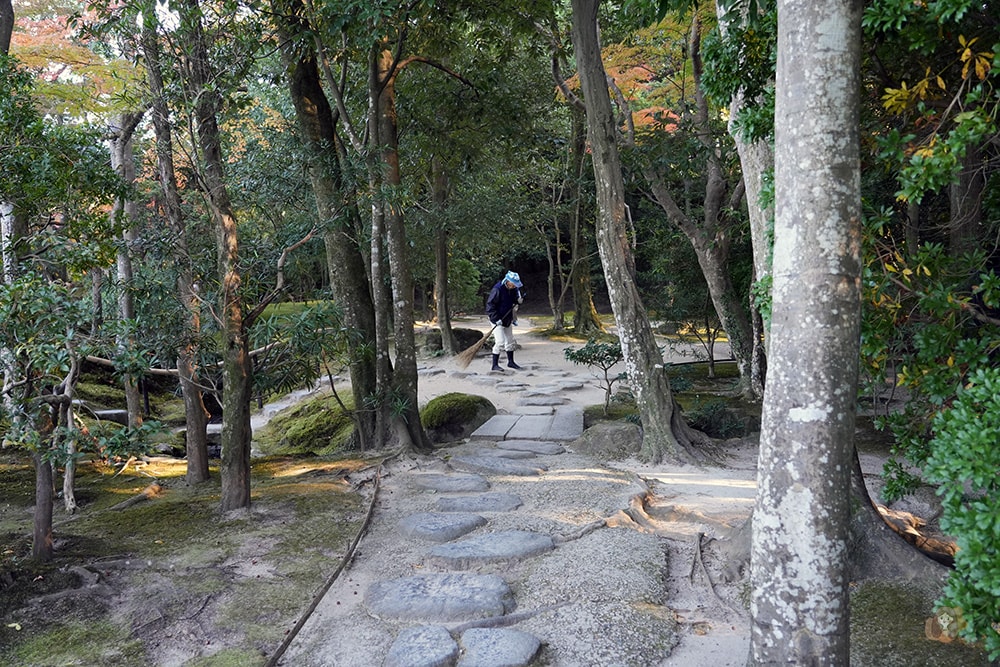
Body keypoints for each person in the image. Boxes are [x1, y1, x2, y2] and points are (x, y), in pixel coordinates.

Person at [485, 270, 524, 371]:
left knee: (510, 341)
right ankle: (494, 365)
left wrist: (518, 300)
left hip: (507, 318)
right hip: (497, 319)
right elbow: (490, 306)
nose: (515, 286)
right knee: (500, 342)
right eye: (513, 284)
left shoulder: (513, 289)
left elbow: (514, 299)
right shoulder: (498, 289)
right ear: (507, 281)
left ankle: (511, 362)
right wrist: (495, 319)